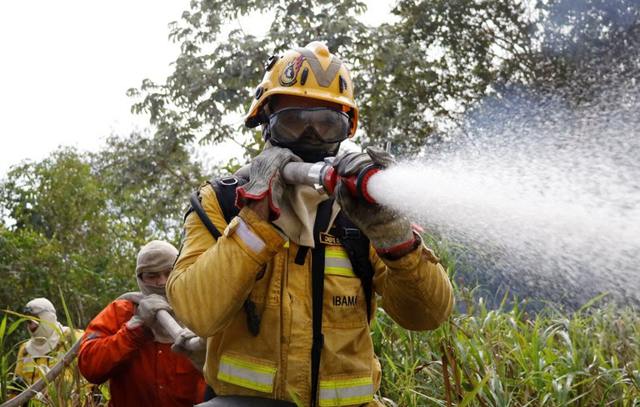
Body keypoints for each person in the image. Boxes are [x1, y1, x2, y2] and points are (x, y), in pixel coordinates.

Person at [167, 42, 454, 406]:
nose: (310, 136)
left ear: (345, 130)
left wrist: (392, 235)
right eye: (294, 122)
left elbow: (429, 314)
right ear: (266, 123)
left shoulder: (358, 212)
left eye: (326, 125)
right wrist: (255, 221)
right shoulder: (222, 203)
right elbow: (196, 313)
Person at [78, 240, 206, 407]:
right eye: (152, 276)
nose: (162, 282)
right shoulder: (120, 312)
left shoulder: (203, 313)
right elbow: (90, 368)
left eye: (169, 273)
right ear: (140, 278)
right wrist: (135, 328)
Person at [13, 298, 81, 387]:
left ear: (48, 318)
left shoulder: (72, 338)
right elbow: (15, 391)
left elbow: (90, 376)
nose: (31, 326)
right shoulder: (25, 350)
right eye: (28, 321)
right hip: (33, 400)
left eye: (35, 320)